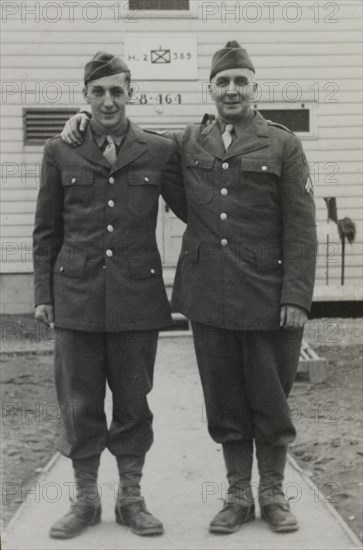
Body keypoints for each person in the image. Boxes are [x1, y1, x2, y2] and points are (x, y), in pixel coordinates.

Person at [61, 41, 317, 534]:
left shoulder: (283, 144)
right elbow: (136, 143)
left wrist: (295, 297)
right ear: (211, 89)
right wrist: (83, 117)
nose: (232, 89)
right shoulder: (188, 142)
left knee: (270, 398)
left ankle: (274, 493)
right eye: (223, 82)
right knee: (223, 400)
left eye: (241, 80)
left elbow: (302, 229)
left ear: (254, 87)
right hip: (209, 294)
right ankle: (238, 496)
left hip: (267, 295)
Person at [33, 51, 186, 539]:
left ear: (131, 94)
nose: (107, 101)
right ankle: (84, 499)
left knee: (134, 402)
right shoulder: (59, 150)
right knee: (78, 403)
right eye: (97, 92)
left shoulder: (159, 150)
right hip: (75, 295)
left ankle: (131, 497)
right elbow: (45, 230)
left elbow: (197, 210)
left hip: (137, 299)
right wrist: (44, 294)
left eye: (116, 91)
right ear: (84, 97)